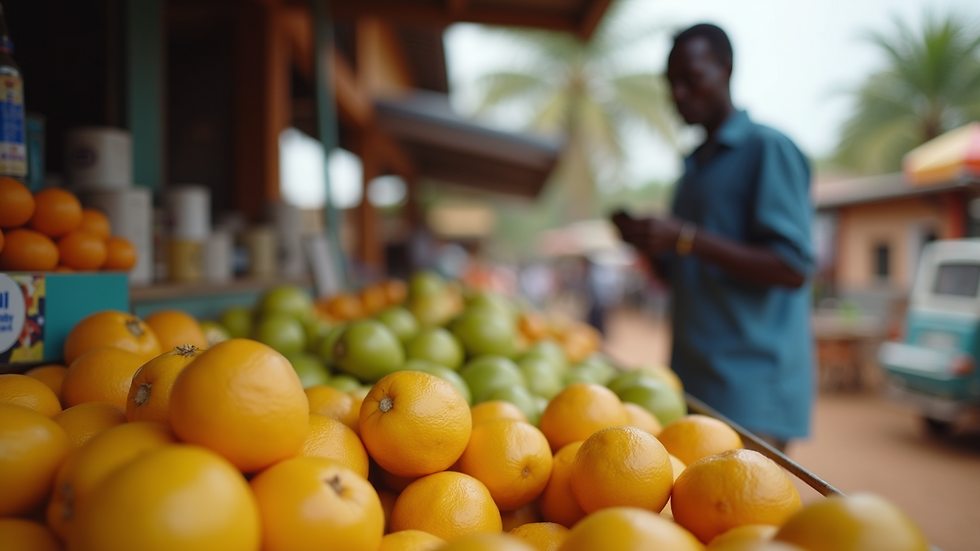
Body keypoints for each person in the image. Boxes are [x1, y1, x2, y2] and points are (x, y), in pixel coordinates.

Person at [613, 23, 815, 452]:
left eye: (692, 79)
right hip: (689, 380)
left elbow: (793, 267)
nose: (679, 95)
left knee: (746, 509)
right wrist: (645, 243)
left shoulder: (767, 149)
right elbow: (681, 273)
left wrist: (684, 236)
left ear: (725, 69)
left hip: (751, 387)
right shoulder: (692, 169)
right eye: (672, 84)